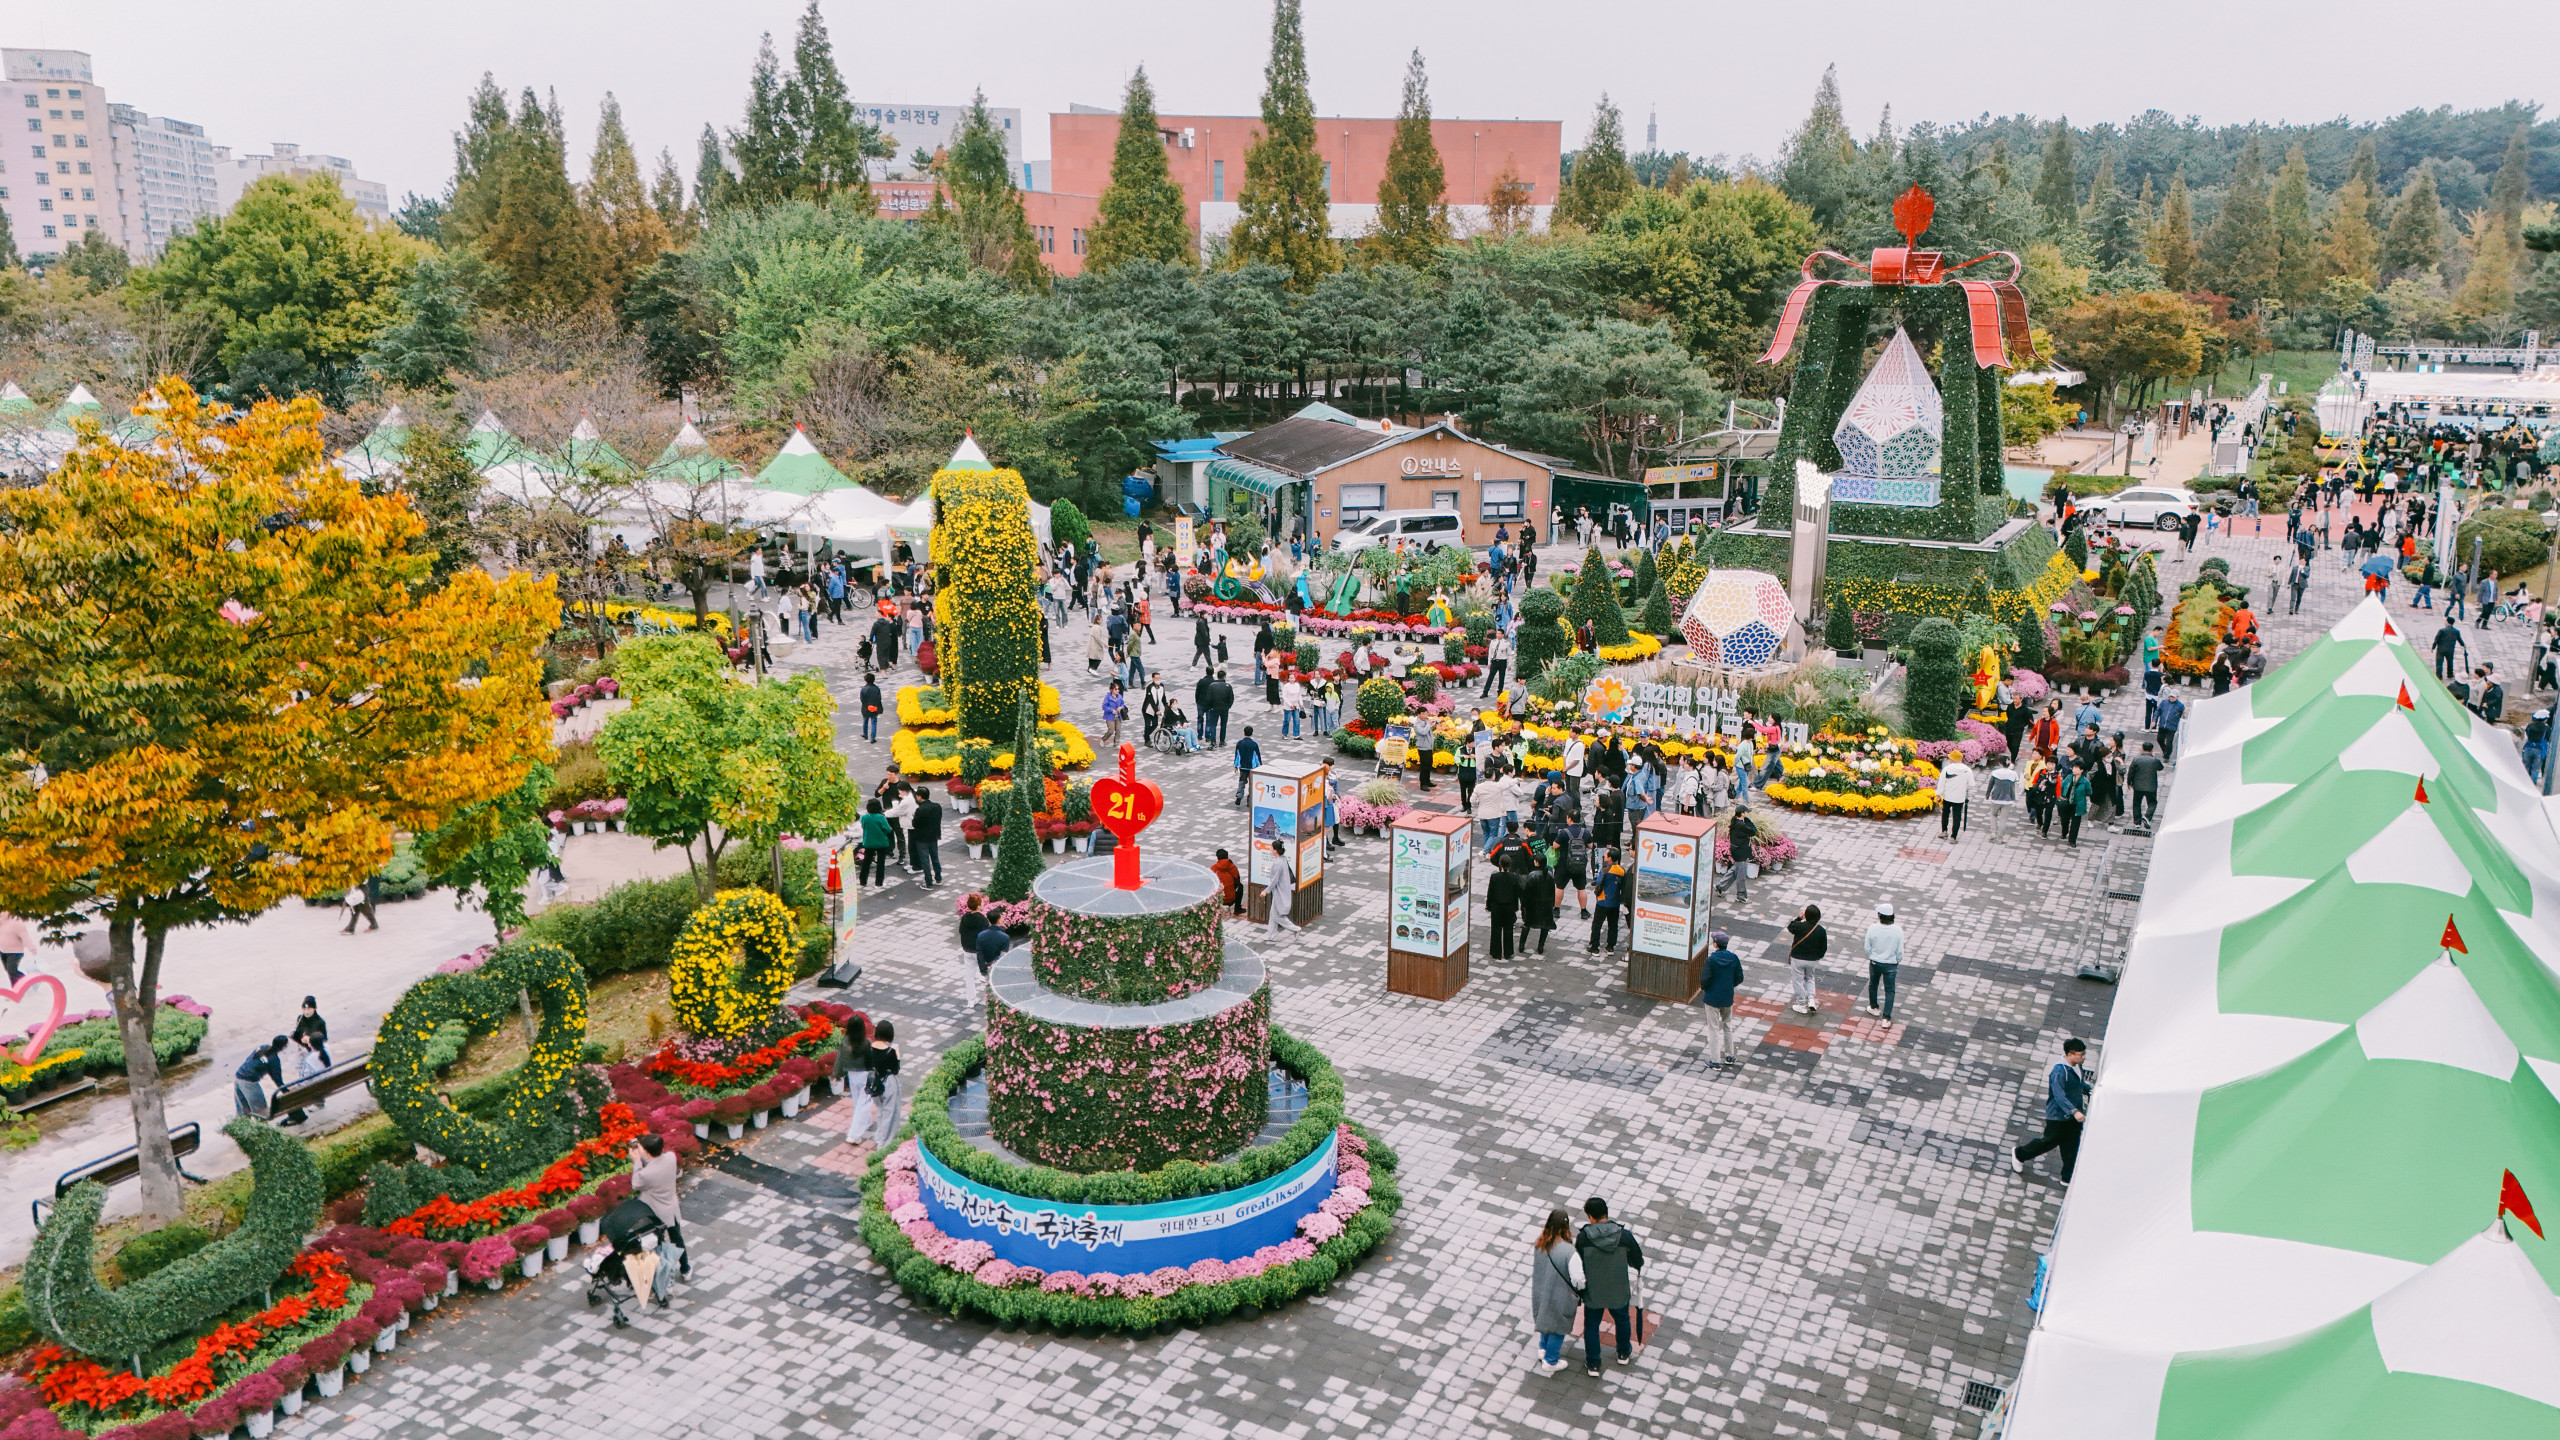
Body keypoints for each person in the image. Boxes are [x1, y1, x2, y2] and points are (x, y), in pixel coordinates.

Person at [1575, 1198, 1646, 1376]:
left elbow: (1579, 1262)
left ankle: (1593, 1364)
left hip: (1593, 1290)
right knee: (1622, 1320)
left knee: (1591, 1325)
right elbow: (1638, 1260)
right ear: (1606, 1212)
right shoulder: (1624, 1235)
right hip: (1618, 1287)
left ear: (1590, 1217)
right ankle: (1623, 1353)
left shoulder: (1584, 1237)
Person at [2011, 1038, 2093, 1183]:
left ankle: (2067, 1177)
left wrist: (2088, 1090)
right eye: (2081, 1055)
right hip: (2058, 1116)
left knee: (2071, 1146)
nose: (2083, 1057)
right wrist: (2074, 1111)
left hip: (2072, 1116)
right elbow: (2059, 1095)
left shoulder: (2077, 1066)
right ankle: (2020, 1154)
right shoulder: (2059, 1072)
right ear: (2071, 1054)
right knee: (2049, 1141)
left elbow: (2078, 1084)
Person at [1528, 1208, 1584, 1374]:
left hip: (1541, 1290)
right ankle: (1551, 1360)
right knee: (1558, 1329)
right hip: (1560, 1295)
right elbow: (1578, 1279)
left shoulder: (1540, 1243)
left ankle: (1542, 1348)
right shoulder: (1569, 1252)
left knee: (1545, 1318)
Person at [630, 1132, 692, 1279]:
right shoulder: (670, 1158)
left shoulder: (646, 1174)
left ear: (646, 1151)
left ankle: (665, 1275)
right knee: (677, 1239)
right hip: (671, 1208)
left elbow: (636, 1183)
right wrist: (643, 1153)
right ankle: (685, 1268)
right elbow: (655, 1161)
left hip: (656, 1212)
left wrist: (637, 1160)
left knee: (658, 1244)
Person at [1699, 931, 1743, 1069]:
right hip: (1727, 997)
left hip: (1712, 998)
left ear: (1715, 944)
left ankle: (1715, 1060)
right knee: (1727, 1026)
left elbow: (1705, 979)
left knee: (1713, 1029)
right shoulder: (1734, 958)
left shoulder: (1711, 960)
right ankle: (1730, 1055)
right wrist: (1730, 986)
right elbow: (1739, 977)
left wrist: (1706, 988)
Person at [862, 1020, 903, 1150]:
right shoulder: (890, 1051)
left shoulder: (869, 1049)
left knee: (881, 1110)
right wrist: (897, 1055)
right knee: (890, 1114)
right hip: (888, 1084)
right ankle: (885, 1144)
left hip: (874, 1084)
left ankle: (879, 1136)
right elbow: (895, 1070)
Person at [278, 1032, 329, 1127]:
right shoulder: (327, 1049)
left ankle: (296, 1116)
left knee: (288, 1092)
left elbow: (304, 1080)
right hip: (328, 1083)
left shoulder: (309, 1059)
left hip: (315, 1088)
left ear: (310, 1044)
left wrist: (294, 1086)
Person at [1863, 902, 1903, 1021]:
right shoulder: (1898, 931)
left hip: (1875, 962)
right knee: (1890, 990)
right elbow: (1900, 951)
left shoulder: (1872, 928)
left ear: (1879, 916)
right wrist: (1896, 961)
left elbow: (1867, 947)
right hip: (1891, 964)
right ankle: (1886, 1018)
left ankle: (1874, 1007)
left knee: (1873, 984)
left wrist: (1872, 956)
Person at [1785, 904, 1827, 1015]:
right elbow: (1823, 947)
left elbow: (1790, 927)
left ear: (1806, 916)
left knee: (1798, 981)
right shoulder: (1820, 930)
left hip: (1797, 958)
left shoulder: (1799, 926)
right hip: (1812, 960)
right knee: (1810, 978)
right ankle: (1811, 1000)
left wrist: (1799, 918)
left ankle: (1801, 1004)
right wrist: (1819, 956)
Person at [235, 1035, 286, 1117]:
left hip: (238, 1077)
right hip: (249, 1082)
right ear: (283, 1047)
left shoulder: (262, 1047)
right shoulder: (274, 1060)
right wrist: (286, 1091)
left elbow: (249, 1059)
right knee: (261, 1112)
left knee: (242, 1111)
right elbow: (277, 1080)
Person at [1588, 848, 1626, 953]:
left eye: (1605, 854)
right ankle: (1610, 947)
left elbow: (1599, 881)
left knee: (1597, 925)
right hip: (1615, 902)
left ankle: (1594, 947)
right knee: (1613, 925)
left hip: (1603, 901)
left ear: (1609, 858)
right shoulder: (1622, 870)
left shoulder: (1605, 870)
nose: (1604, 856)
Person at [1519, 853, 1556, 955]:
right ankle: (1540, 946)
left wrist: (1523, 906)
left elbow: (1526, 893)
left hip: (1533, 906)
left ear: (1536, 862)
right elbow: (1552, 892)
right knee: (1545, 926)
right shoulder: (1550, 875)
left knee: (1527, 925)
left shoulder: (1532, 876)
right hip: (1546, 905)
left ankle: (1521, 945)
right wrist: (1552, 904)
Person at [1717, 807, 1756, 902]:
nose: (1747, 814)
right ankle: (1741, 896)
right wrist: (1747, 820)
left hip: (1738, 851)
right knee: (1741, 875)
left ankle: (1721, 886)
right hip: (1740, 853)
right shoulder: (1740, 825)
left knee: (1736, 870)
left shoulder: (1736, 822)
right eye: (1746, 812)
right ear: (1742, 814)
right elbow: (1753, 831)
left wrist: (1745, 819)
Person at [909, 786, 944, 889]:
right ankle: (938, 878)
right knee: (935, 858)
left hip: (922, 838)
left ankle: (928, 882)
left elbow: (915, 824)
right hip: (934, 836)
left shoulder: (920, 810)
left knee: (925, 860)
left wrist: (914, 816)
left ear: (919, 797)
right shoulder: (937, 806)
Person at [1264, 839, 1301, 934]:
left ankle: (1295, 929)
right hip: (1282, 890)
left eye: (1271, 848)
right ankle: (1270, 936)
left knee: (1276, 916)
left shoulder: (1277, 863)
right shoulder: (1283, 859)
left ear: (1275, 850)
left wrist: (1266, 891)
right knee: (1273, 914)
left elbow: (1274, 880)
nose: (1270, 850)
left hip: (1279, 892)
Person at [857, 799, 894, 887]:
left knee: (866, 861)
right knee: (881, 862)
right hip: (881, 843)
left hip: (869, 842)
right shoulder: (881, 817)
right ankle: (879, 882)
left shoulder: (864, 817)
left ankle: (863, 880)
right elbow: (887, 829)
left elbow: (863, 827)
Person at [2126, 742, 2162, 830]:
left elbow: (2131, 772)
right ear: (2152, 750)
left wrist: (2129, 782)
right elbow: (2160, 768)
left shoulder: (2136, 759)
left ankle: (2137, 822)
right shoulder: (2154, 760)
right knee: (2152, 802)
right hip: (2151, 786)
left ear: (2142, 748)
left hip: (2138, 786)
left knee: (2137, 803)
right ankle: (2147, 816)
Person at [1937, 757, 1972, 841]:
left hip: (1947, 796)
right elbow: (1971, 784)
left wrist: (1938, 794)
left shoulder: (1947, 769)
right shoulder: (1967, 770)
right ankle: (1953, 836)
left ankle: (1944, 831)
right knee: (1957, 816)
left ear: (1952, 760)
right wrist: (1964, 788)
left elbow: (1941, 783)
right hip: (1959, 797)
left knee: (1945, 813)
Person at [292, 996, 332, 1069]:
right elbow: (297, 1034)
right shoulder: (301, 1019)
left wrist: (311, 1039)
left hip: (315, 1052)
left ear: (314, 1008)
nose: (306, 1012)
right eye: (304, 1009)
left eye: (309, 1009)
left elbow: (324, 1040)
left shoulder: (320, 1022)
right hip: (304, 1050)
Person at [2060, 761, 2092, 848]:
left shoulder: (2085, 782)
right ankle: (2064, 832)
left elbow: (2089, 791)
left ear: (2081, 770)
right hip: (2066, 803)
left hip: (2078, 805)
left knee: (2075, 823)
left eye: (2077, 768)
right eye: (2074, 767)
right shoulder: (2069, 777)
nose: (2074, 769)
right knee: (2064, 820)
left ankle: (2072, 840)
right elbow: (2062, 787)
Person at [1232, 725, 1261, 806]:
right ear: (1251, 733)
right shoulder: (1254, 744)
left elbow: (1237, 755)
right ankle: (1249, 800)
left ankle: (1239, 796)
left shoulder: (1240, 743)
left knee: (1241, 782)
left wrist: (1236, 765)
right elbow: (1257, 756)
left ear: (1244, 732)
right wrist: (1259, 765)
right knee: (1251, 784)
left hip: (1242, 767)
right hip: (1252, 767)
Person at [2155, 693, 2186, 764]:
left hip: (2172, 727)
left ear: (2177, 698)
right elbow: (2158, 711)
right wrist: (2154, 720)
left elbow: (2182, 714)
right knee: (2159, 739)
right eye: (2170, 696)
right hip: (2162, 725)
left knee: (2169, 742)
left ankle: (2167, 756)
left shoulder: (2180, 706)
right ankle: (2165, 751)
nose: (2171, 698)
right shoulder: (2164, 702)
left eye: (2173, 697)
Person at [1212, 847, 1244, 915]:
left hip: (1218, 899)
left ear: (1217, 858)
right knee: (1240, 886)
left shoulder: (1213, 868)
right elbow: (1237, 881)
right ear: (1227, 857)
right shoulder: (1232, 867)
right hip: (1231, 899)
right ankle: (1237, 909)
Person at [0, 912, 30, 984]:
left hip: (15, 951)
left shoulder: (12, 921)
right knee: (9, 970)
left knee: (11, 970)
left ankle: (27, 980)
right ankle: (16, 987)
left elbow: (23, 935)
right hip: (3, 950)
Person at [958, 895, 989, 960]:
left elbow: (961, 931)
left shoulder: (965, 917)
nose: (983, 903)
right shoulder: (983, 920)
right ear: (978, 906)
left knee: (969, 969)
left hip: (966, 948)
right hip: (978, 950)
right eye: (982, 902)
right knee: (980, 969)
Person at [859, 672, 884, 743]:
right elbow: (879, 699)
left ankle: (865, 734)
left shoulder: (863, 689)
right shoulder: (876, 689)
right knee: (874, 723)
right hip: (874, 708)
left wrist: (867, 705)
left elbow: (862, 699)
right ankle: (873, 737)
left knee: (865, 721)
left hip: (866, 708)